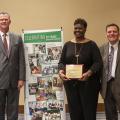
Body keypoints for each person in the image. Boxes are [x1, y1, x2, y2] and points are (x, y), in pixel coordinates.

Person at [58, 18, 103, 120]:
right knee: (75, 112)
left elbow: (98, 62)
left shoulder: (92, 45)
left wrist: (89, 73)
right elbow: (61, 62)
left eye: (80, 28)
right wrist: (61, 72)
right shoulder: (67, 45)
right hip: (71, 85)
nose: (77, 30)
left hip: (89, 85)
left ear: (85, 29)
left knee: (89, 112)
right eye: (75, 28)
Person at [0, 12, 26, 120]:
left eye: (6, 19)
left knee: (13, 111)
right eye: (1, 19)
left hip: (14, 81)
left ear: (10, 21)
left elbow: (21, 59)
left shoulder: (17, 38)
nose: (3, 21)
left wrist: (21, 78)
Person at [100, 23, 120, 120]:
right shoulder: (101, 49)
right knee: (110, 116)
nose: (112, 33)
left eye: (114, 31)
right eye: (109, 32)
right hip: (106, 87)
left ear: (118, 33)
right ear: (106, 34)